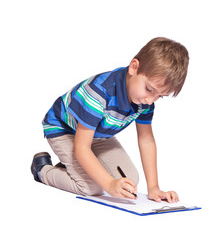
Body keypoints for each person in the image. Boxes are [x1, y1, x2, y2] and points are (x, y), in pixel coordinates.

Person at [31, 37, 189, 203]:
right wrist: (109, 183)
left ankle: (71, 167)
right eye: (149, 89)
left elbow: (146, 140)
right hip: (64, 130)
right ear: (134, 67)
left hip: (99, 134)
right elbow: (82, 147)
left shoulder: (144, 101)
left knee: (130, 181)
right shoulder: (99, 93)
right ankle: (42, 170)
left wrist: (153, 188)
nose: (151, 100)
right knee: (92, 188)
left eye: (160, 96)